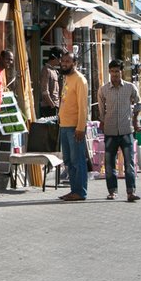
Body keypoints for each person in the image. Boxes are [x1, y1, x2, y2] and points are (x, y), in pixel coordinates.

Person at [98, 59, 141, 202]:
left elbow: (139, 104)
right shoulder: (103, 89)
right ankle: (112, 191)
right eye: (112, 71)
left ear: (121, 72)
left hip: (126, 130)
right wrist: (102, 122)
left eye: (117, 71)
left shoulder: (130, 88)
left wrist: (135, 120)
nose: (115, 74)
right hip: (110, 131)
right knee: (110, 163)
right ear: (109, 72)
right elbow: (100, 109)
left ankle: (131, 192)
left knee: (129, 163)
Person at [56, 49, 89, 202]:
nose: (64, 64)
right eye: (63, 61)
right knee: (69, 161)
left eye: (68, 61)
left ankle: (80, 192)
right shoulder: (67, 78)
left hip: (75, 128)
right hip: (64, 126)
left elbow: (83, 107)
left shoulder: (80, 80)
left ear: (75, 63)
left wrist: (81, 127)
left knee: (77, 161)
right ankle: (73, 190)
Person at [37, 47, 62, 118]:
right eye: (60, 59)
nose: (60, 61)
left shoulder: (54, 71)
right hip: (49, 107)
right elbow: (44, 91)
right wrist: (52, 105)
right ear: (55, 57)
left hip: (55, 105)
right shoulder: (46, 70)